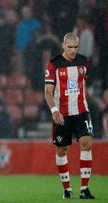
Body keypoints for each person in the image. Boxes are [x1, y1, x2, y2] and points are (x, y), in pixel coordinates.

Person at [44, 32, 95, 199]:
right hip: (62, 114)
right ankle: (67, 189)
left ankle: (84, 188)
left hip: (81, 111)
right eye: (70, 47)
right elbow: (48, 91)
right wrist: (54, 111)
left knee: (86, 143)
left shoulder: (84, 62)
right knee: (62, 149)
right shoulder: (54, 64)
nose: (73, 50)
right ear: (63, 46)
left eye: (76, 47)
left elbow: (84, 83)